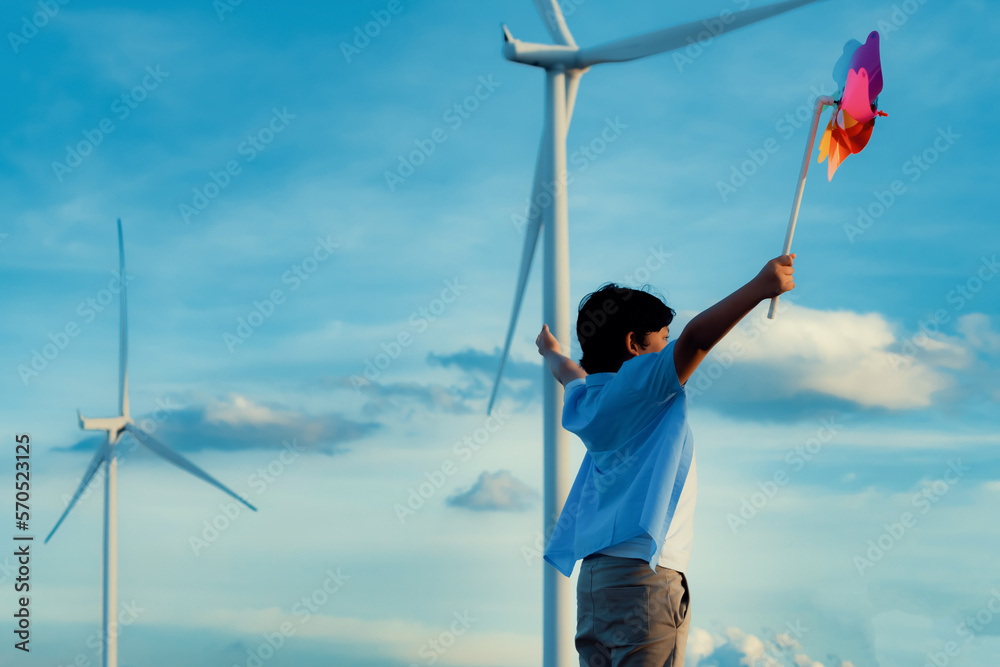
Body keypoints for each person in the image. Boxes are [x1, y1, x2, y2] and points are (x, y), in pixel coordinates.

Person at [535, 253, 796, 667]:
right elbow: (696, 339)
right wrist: (759, 288)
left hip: (595, 583)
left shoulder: (587, 399)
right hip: (643, 580)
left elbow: (567, 371)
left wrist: (549, 351)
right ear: (635, 344)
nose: (668, 348)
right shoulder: (643, 382)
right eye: (661, 338)